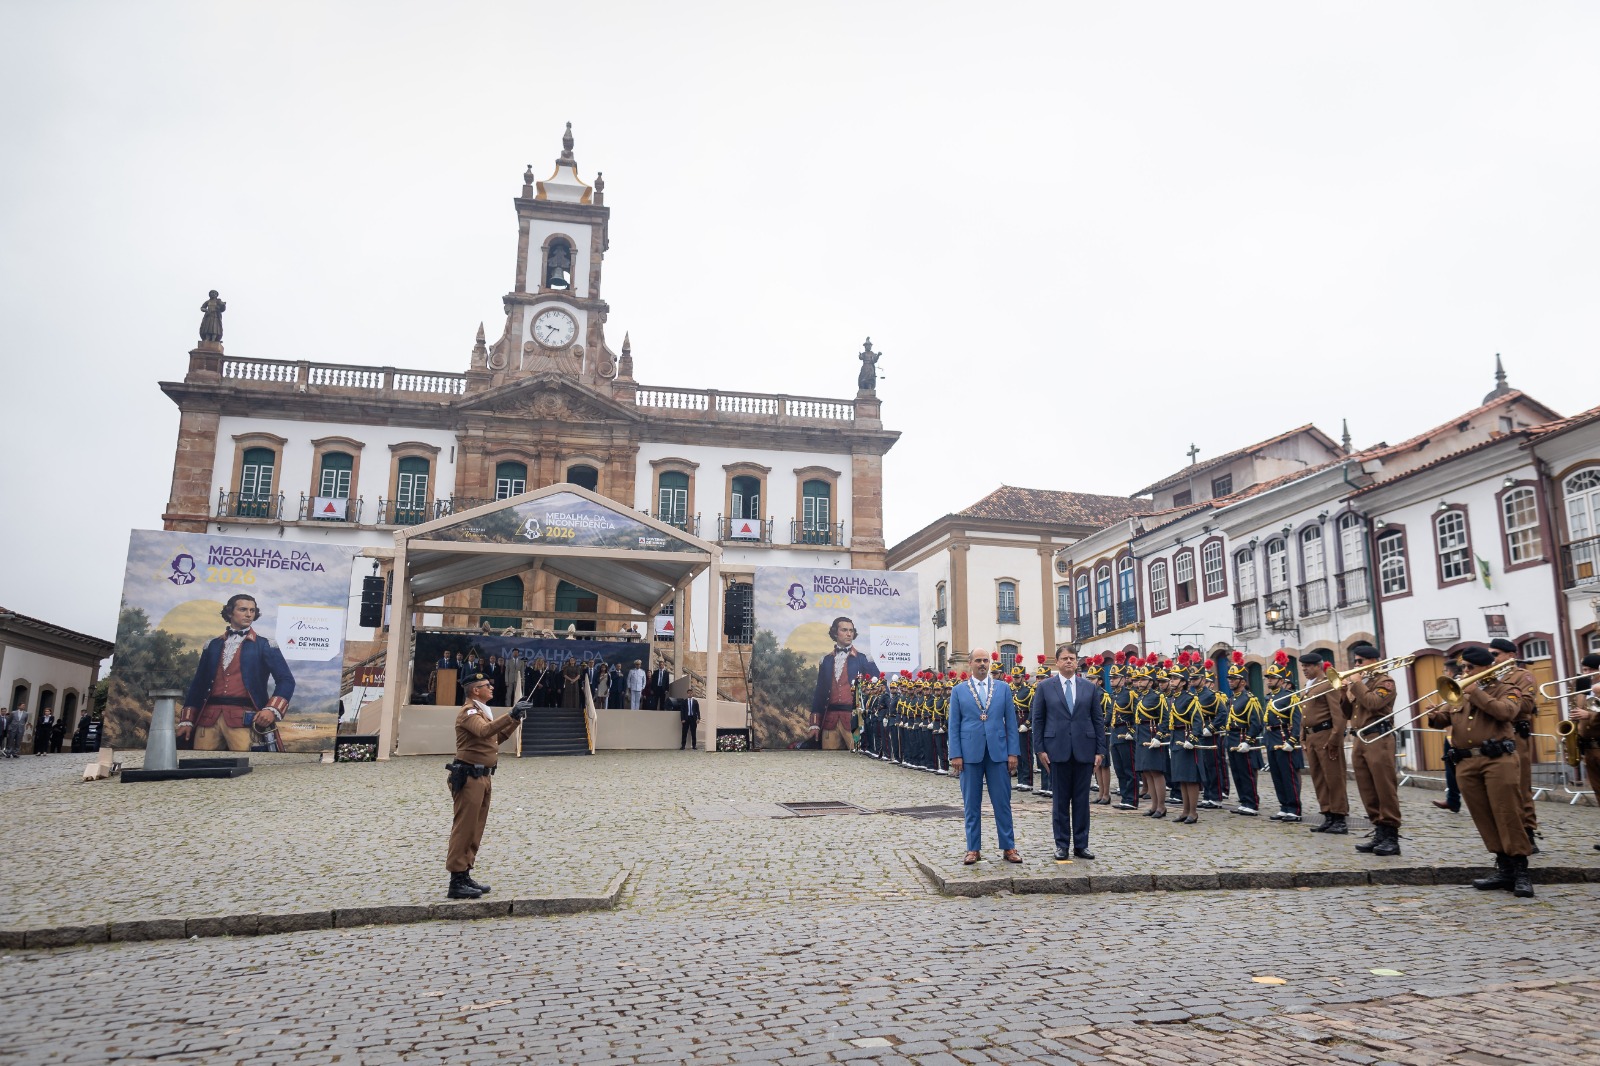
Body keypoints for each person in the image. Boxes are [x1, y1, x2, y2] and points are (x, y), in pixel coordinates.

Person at [1427, 644, 1535, 897]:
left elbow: (1507, 712)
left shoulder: (1507, 689)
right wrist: (1434, 715)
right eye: (1464, 667)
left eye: (1470, 667)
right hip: (1466, 762)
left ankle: (1521, 871)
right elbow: (1445, 719)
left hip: (1497, 759)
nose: (1465, 671)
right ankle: (1504, 868)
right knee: (1483, 815)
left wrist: (1476, 692)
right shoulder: (1459, 691)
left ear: (1487, 667)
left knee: (1507, 812)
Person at [176, 594, 296, 752]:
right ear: (230, 612)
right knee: (201, 763)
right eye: (243, 609)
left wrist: (271, 710)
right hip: (208, 720)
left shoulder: (265, 645)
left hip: (244, 721)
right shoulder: (212, 645)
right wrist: (187, 720)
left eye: (252, 610)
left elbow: (286, 680)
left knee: (245, 764)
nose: (249, 614)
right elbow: (198, 685)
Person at [445, 671, 525, 899]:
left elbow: (495, 738)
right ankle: (456, 881)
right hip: (469, 777)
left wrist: (515, 719)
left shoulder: (482, 712)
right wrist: (510, 714)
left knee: (475, 828)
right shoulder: (469, 712)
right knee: (464, 828)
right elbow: (484, 731)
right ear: (475, 690)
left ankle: (465, 873)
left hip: (482, 777)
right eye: (486, 685)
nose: (491, 688)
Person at [1032, 645, 1107, 859]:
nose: (1068, 661)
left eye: (1072, 658)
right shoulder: (1045, 687)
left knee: (1082, 801)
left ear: (1076, 662)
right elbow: (1038, 720)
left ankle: (1081, 845)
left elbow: (1098, 720)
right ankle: (1062, 845)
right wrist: (1040, 749)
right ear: (1057, 662)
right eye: (1064, 658)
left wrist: (1100, 750)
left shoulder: (1089, 687)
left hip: (1084, 749)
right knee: (1060, 802)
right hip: (1056, 750)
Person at [948, 649, 1020, 865]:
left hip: (998, 752)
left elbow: (1011, 723)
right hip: (970, 754)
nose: (982, 664)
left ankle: (1008, 847)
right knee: (971, 804)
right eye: (978, 660)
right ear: (970, 663)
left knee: (1002, 802)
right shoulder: (958, 691)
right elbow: (954, 724)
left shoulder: (1003, 688)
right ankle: (973, 848)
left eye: (985, 660)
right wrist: (955, 754)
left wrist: (1012, 752)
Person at [1345, 642, 1401, 856]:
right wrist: (1343, 691)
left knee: (1384, 787)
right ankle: (1379, 830)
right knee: (1367, 788)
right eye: (1355, 661)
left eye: (1360, 661)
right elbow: (1347, 713)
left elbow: (1373, 703)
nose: (1356, 665)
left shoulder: (1385, 682)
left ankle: (1391, 835)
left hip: (1379, 738)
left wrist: (1357, 684)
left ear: (1374, 661)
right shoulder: (1363, 683)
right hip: (1360, 738)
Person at [1488, 637, 1540, 850]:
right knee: (1502, 787)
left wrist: (1498, 700)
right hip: (1496, 735)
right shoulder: (1491, 676)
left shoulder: (1522, 676)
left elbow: (1526, 704)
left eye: (1495, 654)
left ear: (1510, 655)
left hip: (1516, 734)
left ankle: (1528, 832)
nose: (1492, 658)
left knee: (1520, 784)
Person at [808, 617, 882, 750]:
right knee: (829, 759)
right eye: (844, 630)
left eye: (851, 631)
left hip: (855, 722)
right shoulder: (825, 661)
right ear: (835, 633)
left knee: (859, 758)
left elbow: (878, 688)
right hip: (830, 722)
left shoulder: (864, 659)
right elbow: (820, 693)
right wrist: (815, 723)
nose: (849, 634)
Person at [1298, 650, 1350, 834]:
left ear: (1318, 666)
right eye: (1303, 666)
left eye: (1307, 666)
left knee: (1334, 777)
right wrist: (1303, 737)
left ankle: (1339, 818)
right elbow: (1305, 715)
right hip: (1312, 737)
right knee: (1319, 778)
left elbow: (1339, 714)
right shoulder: (1309, 685)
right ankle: (1327, 814)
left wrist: (1335, 739)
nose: (1304, 669)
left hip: (1326, 735)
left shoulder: (1328, 683)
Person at [1222, 655, 1265, 816]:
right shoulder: (1232, 699)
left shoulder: (1250, 699)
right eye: (1229, 679)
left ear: (1243, 682)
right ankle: (1244, 801)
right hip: (1232, 738)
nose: (1230, 681)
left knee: (1247, 773)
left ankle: (1252, 803)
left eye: (1234, 679)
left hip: (1243, 737)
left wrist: (1248, 741)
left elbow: (1257, 723)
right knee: (1237, 773)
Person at [1262, 663, 1304, 822]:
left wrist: (1293, 740)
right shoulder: (1269, 697)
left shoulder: (1290, 696)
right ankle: (1284, 806)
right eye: (1268, 678)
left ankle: (1294, 809)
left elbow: (1297, 719)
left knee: (1288, 775)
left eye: (1273, 678)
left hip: (1283, 737)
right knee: (1277, 775)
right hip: (1271, 738)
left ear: (1281, 680)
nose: (1269, 680)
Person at [1131, 656, 1170, 818]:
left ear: (1151, 681)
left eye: (1143, 680)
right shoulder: (1141, 696)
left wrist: (1159, 736)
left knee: (1156, 771)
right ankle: (1154, 805)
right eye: (1139, 679)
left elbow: (1166, 718)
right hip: (1142, 735)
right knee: (1146, 772)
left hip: (1152, 734)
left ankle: (1161, 806)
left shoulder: (1157, 696)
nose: (1139, 682)